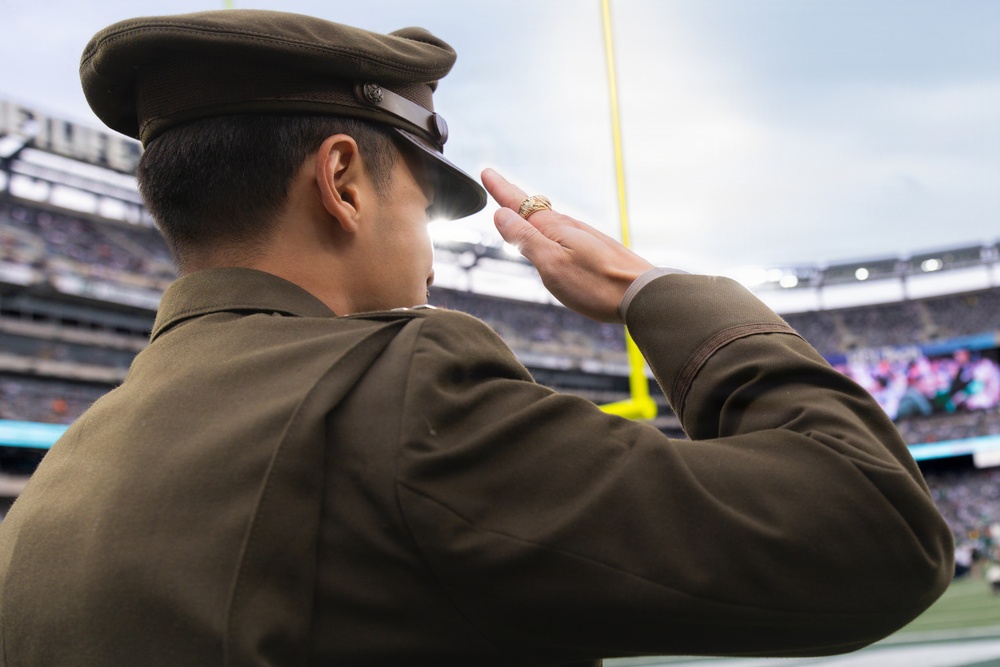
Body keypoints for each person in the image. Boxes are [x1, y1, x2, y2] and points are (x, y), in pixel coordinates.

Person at [0, 9, 953, 667]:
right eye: (419, 211)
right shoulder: (399, 391)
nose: (427, 262)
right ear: (342, 182)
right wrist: (648, 288)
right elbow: (877, 528)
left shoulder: (59, 486)